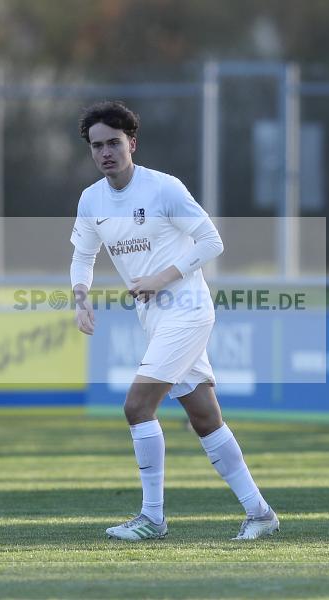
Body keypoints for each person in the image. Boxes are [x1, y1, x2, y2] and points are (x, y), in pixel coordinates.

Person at [69, 100, 278, 541]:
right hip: (154, 318)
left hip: (188, 309)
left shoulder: (164, 188)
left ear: (132, 143)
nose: (105, 152)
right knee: (205, 417)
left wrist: (162, 278)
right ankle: (260, 513)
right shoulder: (92, 200)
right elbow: (83, 254)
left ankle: (153, 517)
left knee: (137, 406)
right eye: (96, 146)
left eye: (113, 143)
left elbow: (211, 240)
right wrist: (81, 297)